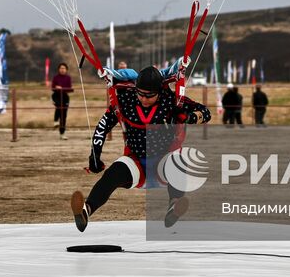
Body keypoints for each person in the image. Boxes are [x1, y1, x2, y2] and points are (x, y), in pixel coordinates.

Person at [71, 66, 211, 231]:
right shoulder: (126, 101)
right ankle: (86, 211)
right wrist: (95, 156)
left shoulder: (171, 101)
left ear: (159, 91)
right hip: (135, 163)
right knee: (112, 174)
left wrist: (189, 117)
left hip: (163, 163)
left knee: (179, 160)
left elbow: (205, 113)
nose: (144, 99)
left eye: (149, 96)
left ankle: (174, 206)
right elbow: (102, 127)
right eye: (140, 94)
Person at [51, 62, 75, 138]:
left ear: (66, 70)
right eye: (61, 68)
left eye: (64, 68)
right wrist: (56, 87)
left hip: (65, 96)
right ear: (58, 69)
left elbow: (70, 89)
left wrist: (63, 88)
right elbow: (52, 87)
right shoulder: (55, 77)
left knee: (64, 115)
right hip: (56, 96)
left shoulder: (68, 78)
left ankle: (62, 133)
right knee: (58, 107)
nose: (62, 70)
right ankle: (55, 121)